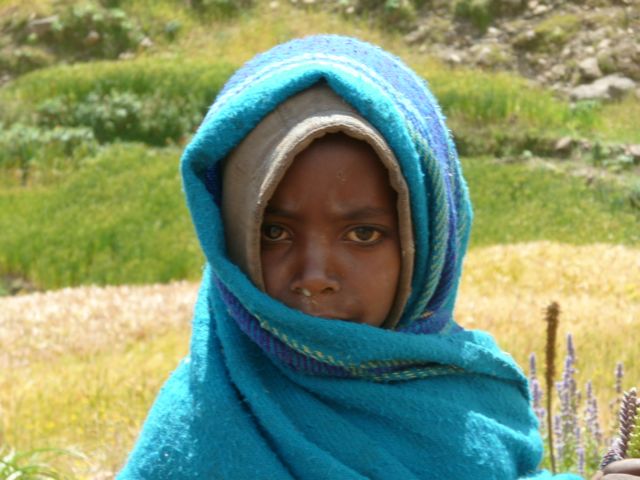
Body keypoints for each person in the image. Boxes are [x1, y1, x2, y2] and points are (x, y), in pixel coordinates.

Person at [117, 35, 639, 479]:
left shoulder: (473, 403)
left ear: (430, 247)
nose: (314, 277)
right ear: (230, 240)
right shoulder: (196, 434)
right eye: (274, 232)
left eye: (363, 234)